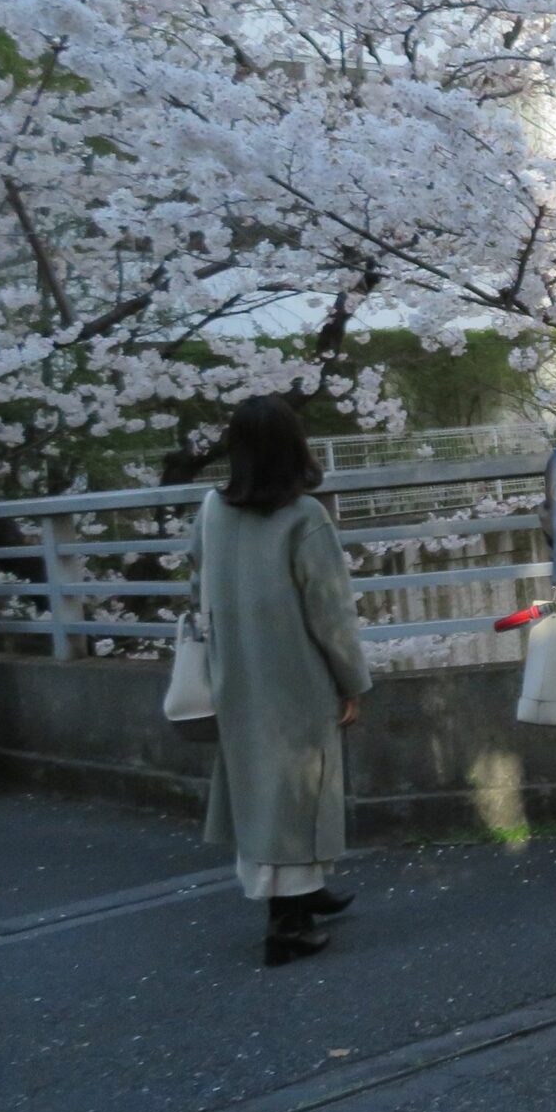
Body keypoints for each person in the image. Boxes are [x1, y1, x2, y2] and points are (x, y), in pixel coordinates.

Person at [190, 398, 373, 967]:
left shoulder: (211, 510)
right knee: (300, 788)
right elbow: (331, 613)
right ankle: (286, 923)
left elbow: (199, 581)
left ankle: (305, 895)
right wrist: (352, 681)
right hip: (297, 674)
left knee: (260, 787)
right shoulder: (304, 518)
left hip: (237, 672)